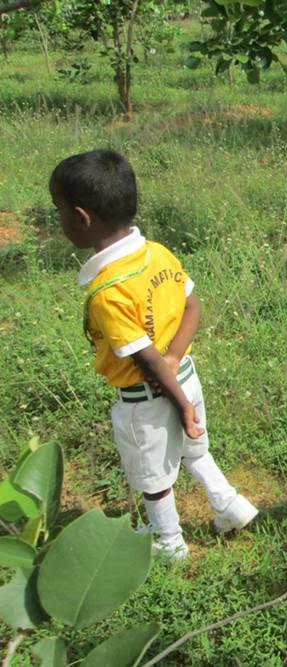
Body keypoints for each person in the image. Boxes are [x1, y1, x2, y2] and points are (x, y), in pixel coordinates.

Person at [50, 149, 257, 560]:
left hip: (148, 399)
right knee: (195, 450)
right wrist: (177, 364)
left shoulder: (109, 292)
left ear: (82, 218)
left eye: (58, 212)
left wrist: (178, 403)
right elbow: (194, 305)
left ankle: (168, 543)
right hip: (185, 377)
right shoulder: (156, 254)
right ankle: (231, 506)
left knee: (153, 476)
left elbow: (145, 359)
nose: (58, 221)